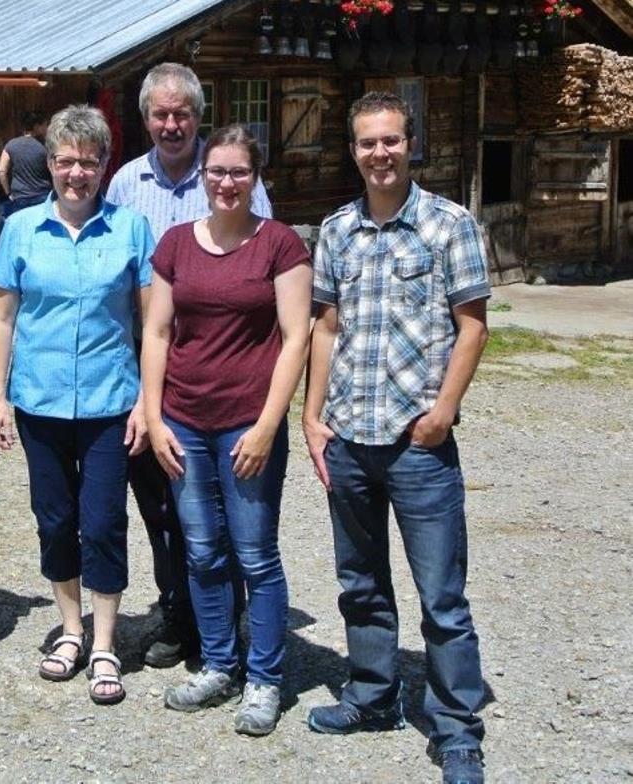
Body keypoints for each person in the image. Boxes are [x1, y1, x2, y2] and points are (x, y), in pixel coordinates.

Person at [302, 91, 490, 784]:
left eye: (390, 140)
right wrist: (310, 415)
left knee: (442, 594)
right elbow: (325, 327)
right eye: (366, 142)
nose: (379, 153)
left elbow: (472, 325)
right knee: (361, 582)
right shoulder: (337, 230)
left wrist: (442, 412)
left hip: (418, 444)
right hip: (350, 435)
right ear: (352, 150)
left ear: (411, 143)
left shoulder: (449, 225)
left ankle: (457, 728)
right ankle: (374, 695)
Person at [141, 124, 312, 733]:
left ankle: (263, 679)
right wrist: (155, 415)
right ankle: (218, 663)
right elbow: (157, 332)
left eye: (239, 172)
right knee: (203, 549)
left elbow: (298, 338)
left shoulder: (280, 245)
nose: (226, 182)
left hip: (247, 424)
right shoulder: (176, 244)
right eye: (217, 171)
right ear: (202, 176)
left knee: (255, 554)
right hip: (184, 421)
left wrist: (269, 424)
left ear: (255, 177)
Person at [106, 61, 275, 670]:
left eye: (182, 114)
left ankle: (228, 622)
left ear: (198, 117)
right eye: (160, 114)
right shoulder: (125, 184)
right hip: (152, 374)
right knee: (162, 509)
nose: (171, 124)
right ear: (145, 118)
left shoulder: (232, 172)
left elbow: (268, 264)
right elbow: (122, 288)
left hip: (226, 376)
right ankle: (179, 613)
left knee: (229, 513)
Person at [0, 105, 154, 706]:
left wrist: (147, 402)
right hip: (41, 403)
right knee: (55, 519)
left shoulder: (132, 229)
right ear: (49, 163)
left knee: (104, 521)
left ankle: (106, 641)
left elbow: (152, 321)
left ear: (105, 166)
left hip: (112, 403)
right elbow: (1, 318)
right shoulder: (21, 229)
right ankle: (71, 629)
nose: (76, 172)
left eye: (88, 161)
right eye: (65, 161)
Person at [0, 111, 51, 218]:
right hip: (42, 197)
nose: (47, 128)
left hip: (19, 198)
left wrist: (8, 193)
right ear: (36, 126)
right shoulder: (46, 147)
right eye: (45, 125)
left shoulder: (11, 144)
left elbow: (1, 171)